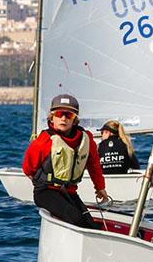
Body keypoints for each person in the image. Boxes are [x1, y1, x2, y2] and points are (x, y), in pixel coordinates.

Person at [22, 94, 109, 229]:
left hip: (70, 192)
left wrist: (100, 187)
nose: (63, 118)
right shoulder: (42, 142)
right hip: (46, 192)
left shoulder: (86, 139)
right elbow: (28, 168)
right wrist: (43, 180)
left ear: (74, 119)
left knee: (91, 225)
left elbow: (94, 165)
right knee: (75, 218)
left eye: (69, 115)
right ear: (52, 117)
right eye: (59, 114)